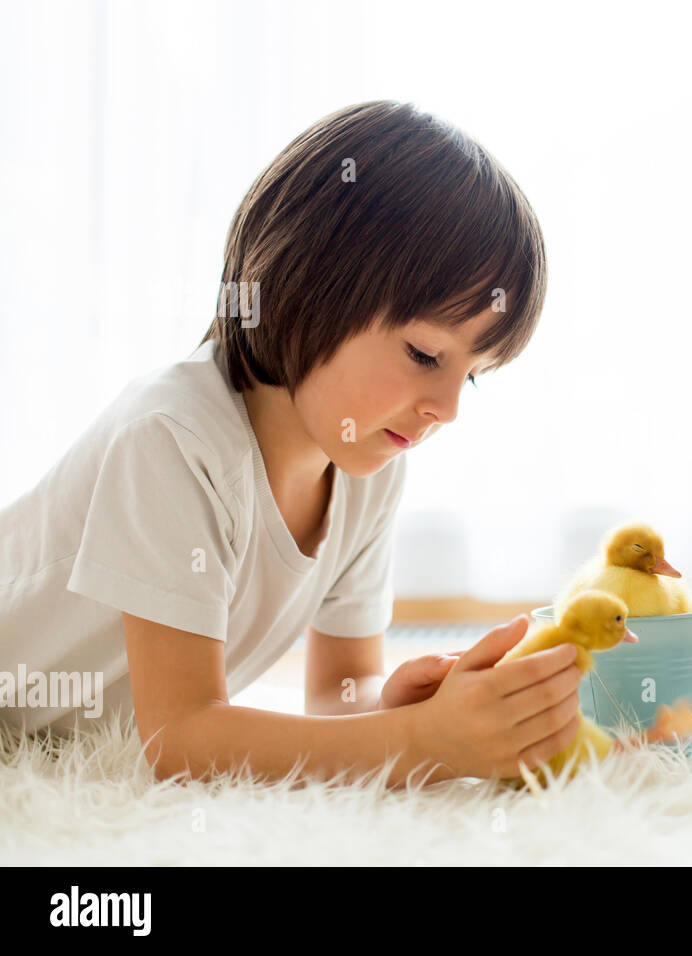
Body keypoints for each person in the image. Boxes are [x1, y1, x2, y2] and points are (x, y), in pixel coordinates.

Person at [0, 101, 584, 788]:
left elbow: (339, 699)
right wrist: (419, 742)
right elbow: (181, 738)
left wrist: (401, 711)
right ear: (304, 287)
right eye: (426, 355)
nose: (448, 409)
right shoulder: (172, 439)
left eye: (474, 378)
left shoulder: (367, 470)